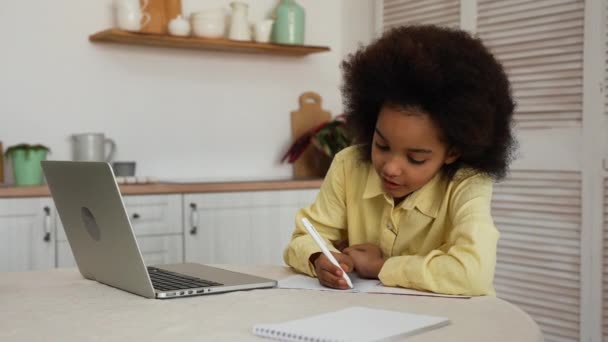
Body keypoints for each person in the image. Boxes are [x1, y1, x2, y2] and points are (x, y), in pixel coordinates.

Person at [283, 24, 516, 296]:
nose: (390, 168)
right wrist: (319, 258)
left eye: (415, 158)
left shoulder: (467, 183)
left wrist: (382, 266)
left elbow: (472, 274)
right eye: (381, 145)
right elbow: (303, 239)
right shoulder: (349, 165)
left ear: (453, 152)